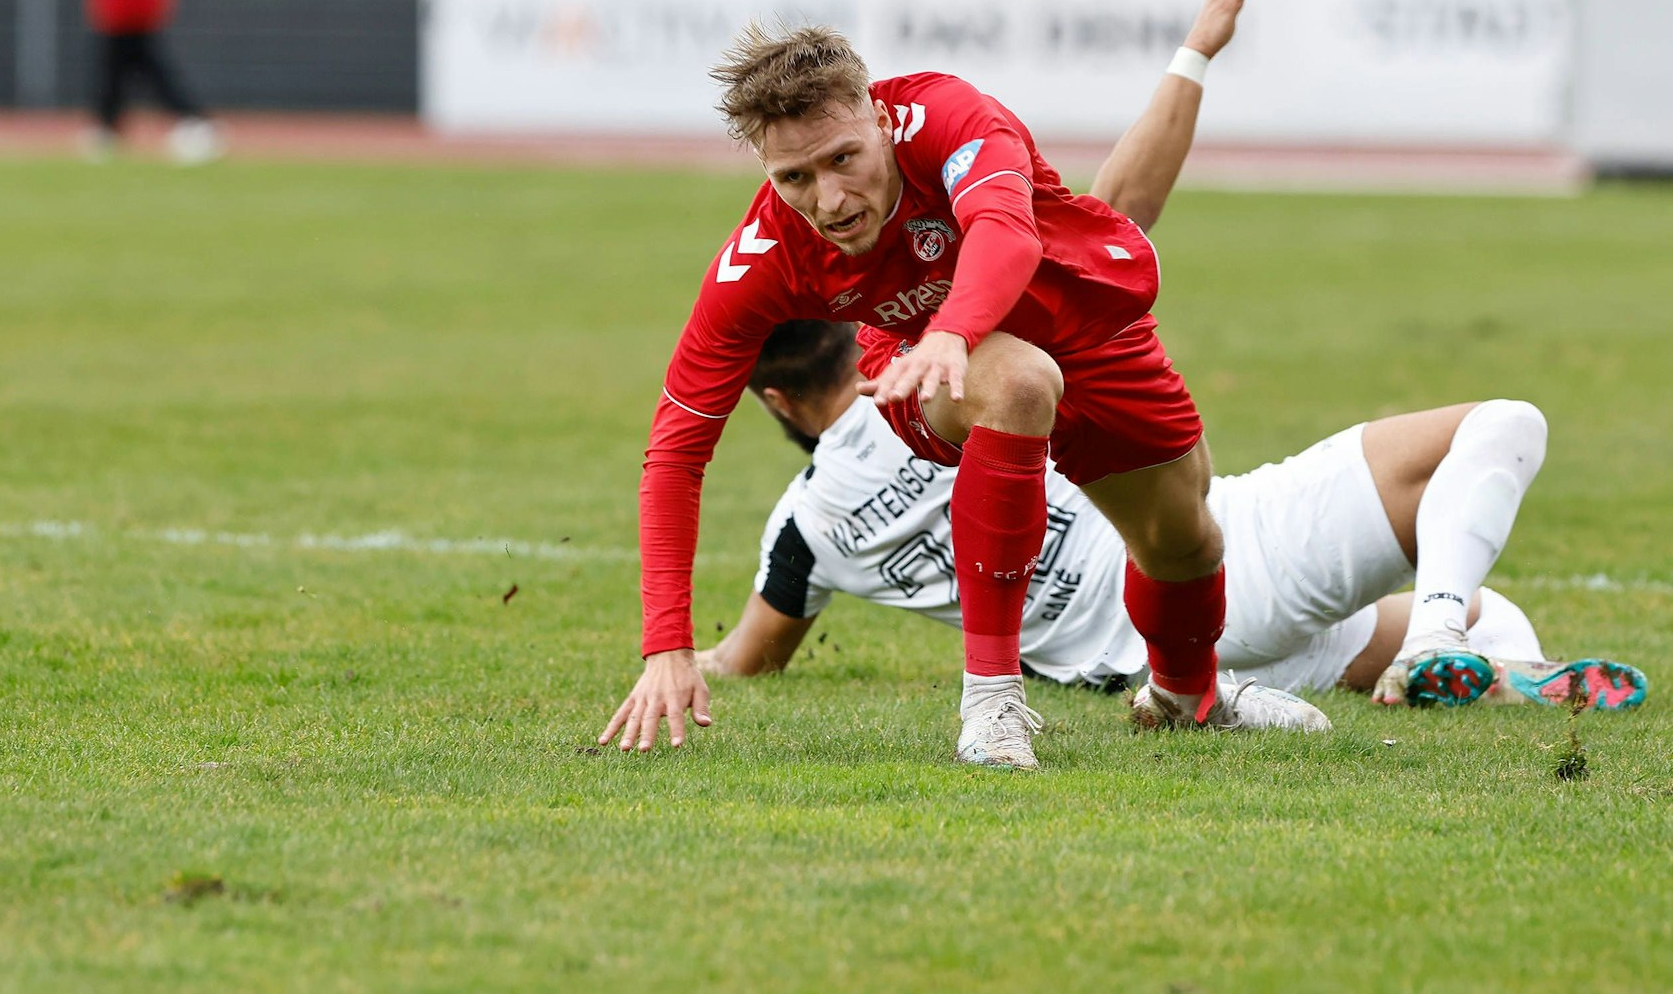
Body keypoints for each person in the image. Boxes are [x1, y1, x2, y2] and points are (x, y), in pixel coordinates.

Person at [601, 0, 1300, 767]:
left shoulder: (950, 116)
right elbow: (675, 450)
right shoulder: (762, 256)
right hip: (920, 370)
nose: (827, 199)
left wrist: (952, 329)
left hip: (1076, 335)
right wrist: (665, 645)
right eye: (793, 177)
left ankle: (1188, 698)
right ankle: (992, 705)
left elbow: (1003, 233)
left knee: (1186, 540)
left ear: (875, 112)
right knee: (1014, 383)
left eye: (841, 160)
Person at [700, 320, 1648, 714]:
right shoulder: (958, 381)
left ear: (778, 402)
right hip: (1216, 567)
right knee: (1502, 428)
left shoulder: (804, 528)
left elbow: (752, 658)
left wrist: (673, 656)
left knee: (1499, 619)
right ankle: (1437, 635)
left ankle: (1470, 670)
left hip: (1153, 666)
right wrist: (1193, 57)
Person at [61, 0, 220, 164]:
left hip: (133, 1)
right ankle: (108, 127)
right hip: (115, 2)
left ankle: (193, 123)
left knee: (143, 65)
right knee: (116, 66)